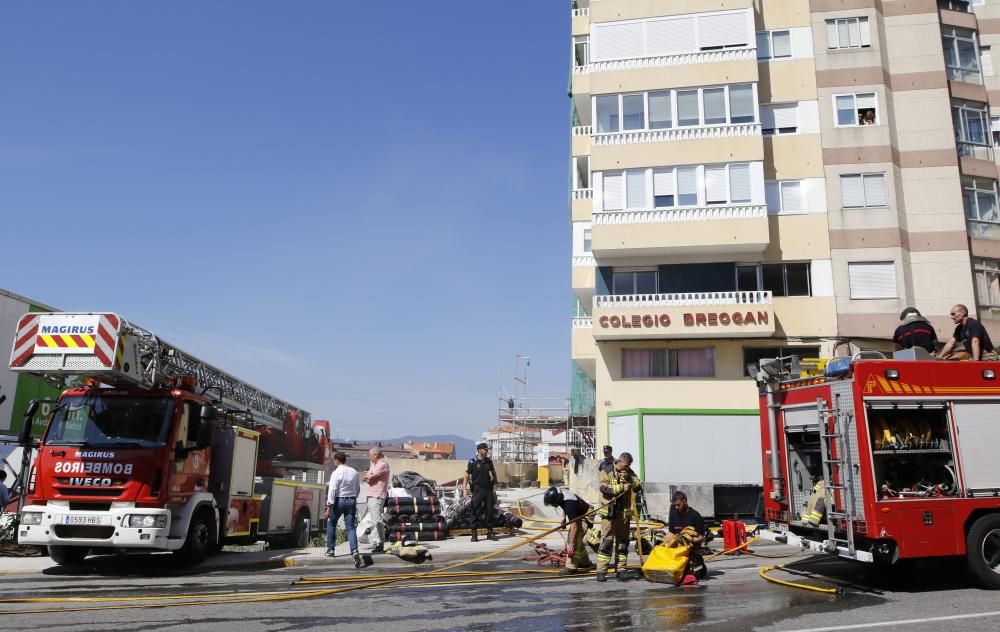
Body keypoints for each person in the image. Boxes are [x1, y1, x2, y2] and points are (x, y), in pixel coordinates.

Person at [596, 452, 642, 582]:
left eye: (629, 466)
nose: (627, 468)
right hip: (609, 513)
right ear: (620, 462)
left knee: (623, 543)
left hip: (624, 514)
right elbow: (603, 488)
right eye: (626, 465)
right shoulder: (607, 470)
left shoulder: (628, 471)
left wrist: (631, 480)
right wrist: (622, 487)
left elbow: (639, 487)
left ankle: (621, 569)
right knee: (607, 542)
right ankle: (601, 571)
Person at [323, 452, 363, 568]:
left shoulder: (336, 473)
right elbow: (357, 489)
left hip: (338, 501)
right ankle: (354, 551)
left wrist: (328, 507)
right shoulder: (354, 472)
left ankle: (330, 550)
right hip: (351, 501)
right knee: (350, 527)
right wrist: (353, 498)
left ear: (336, 460)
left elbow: (332, 491)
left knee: (332, 524)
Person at [543, 486, 594, 575]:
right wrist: (564, 519)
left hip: (586, 514)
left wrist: (570, 545)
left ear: (557, 499)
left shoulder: (570, 504)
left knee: (575, 538)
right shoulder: (561, 495)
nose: (553, 505)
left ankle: (571, 567)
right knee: (576, 538)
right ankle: (585, 562)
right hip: (578, 511)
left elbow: (574, 527)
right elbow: (563, 506)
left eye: (553, 503)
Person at [667, 491, 708, 580]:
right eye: (675, 505)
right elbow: (670, 533)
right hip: (677, 548)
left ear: (684, 501)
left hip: (691, 548)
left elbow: (701, 537)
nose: (677, 507)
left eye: (678, 505)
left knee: (691, 571)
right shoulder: (674, 514)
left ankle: (698, 567)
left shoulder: (695, 516)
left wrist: (689, 539)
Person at [464, 442, 498, 542]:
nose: (487, 451)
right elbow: (466, 476)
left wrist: (496, 481)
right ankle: (474, 534)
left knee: (490, 510)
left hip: (488, 489)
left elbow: (493, 471)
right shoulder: (472, 461)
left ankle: (490, 532)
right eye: (485, 450)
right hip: (477, 489)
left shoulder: (488, 461)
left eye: (487, 450)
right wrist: (464, 490)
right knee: (475, 510)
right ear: (479, 450)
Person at [360, 446, 390, 553]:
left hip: (377, 496)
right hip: (372, 496)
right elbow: (366, 477)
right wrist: (368, 477)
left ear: (376, 455)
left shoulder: (382, 464)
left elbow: (369, 478)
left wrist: (368, 477)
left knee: (377, 520)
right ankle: (375, 542)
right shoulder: (374, 465)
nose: (369, 458)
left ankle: (379, 542)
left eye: (370, 456)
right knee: (373, 520)